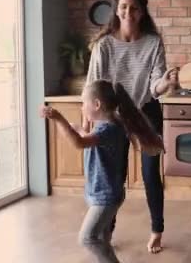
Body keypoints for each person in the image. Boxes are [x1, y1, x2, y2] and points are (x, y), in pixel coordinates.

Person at [86, 0, 178, 254]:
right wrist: (88, 121)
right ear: (117, 11)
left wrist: (166, 83)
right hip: (112, 115)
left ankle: (157, 230)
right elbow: (94, 85)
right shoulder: (104, 45)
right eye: (124, 6)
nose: (129, 12)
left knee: (151, 175)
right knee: (115, 176)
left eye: (134, 7)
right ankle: (106, 230)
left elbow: (155, 85)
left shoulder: (153, 42)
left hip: (145, 112)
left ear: (142, 12)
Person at [40, 80, 164, 263]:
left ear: (97, 105)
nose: (82, 108)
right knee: (102, 240)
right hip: (106, 193)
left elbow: (79, 143)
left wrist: (59, 118)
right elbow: (89, 139)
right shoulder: (112, 124)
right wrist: (81, 130)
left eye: (84, 103)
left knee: (87, 238)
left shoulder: (108, 128)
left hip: (105, 197)